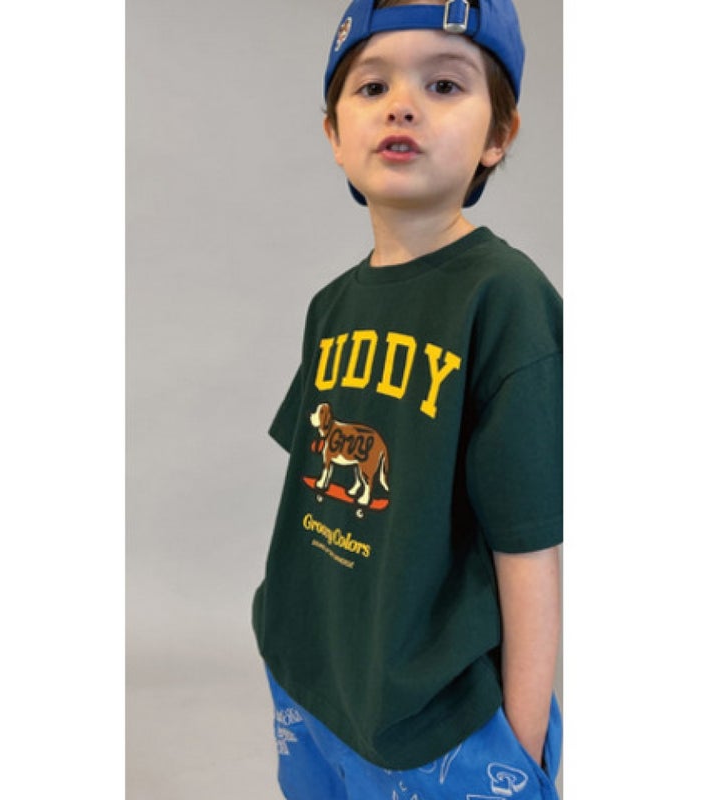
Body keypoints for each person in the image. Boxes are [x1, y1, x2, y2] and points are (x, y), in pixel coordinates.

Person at [251, 1, 562, 797]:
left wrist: (522, 743)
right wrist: (281, 631)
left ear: (499, 134)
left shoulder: (506, 300)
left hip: (436, 720)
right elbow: (313, 489)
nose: (402, 105)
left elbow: (529, 545)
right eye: (371, 86)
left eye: (444, 84)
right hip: (312, 679)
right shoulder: (331, 306)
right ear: (334, 134)